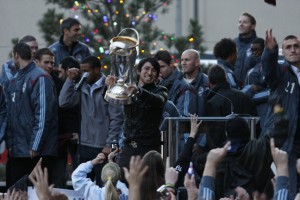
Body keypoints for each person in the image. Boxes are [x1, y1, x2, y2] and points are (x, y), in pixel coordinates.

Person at [59, 55, 123, 186]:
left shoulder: (109, 87)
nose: (84, 74)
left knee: (104, 187)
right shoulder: (82, 86)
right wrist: (70, 79)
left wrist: (110, 144)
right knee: (83, 187)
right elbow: (63, 102)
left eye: (86, 70)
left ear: (97, 70)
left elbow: (116, 118)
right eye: (82, 70)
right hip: (84, 147)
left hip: (103, 148)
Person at [5, 43, 58, 188]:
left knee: (35, 195)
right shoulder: (15, 80)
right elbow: (10, 114)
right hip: (18, 151)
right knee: (15, 194)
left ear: (16, 55)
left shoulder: (40, 77)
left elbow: (43, 114)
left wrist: (35, 146)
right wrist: (10, 143)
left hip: (35, 152)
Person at [106, 57, 168, 178]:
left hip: (148, 150)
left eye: (154, 70)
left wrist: (139, 92)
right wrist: (109, 86)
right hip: (128, 147)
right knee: (123, 184)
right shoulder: (128, 88)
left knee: (146, 187)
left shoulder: (161, 90)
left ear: (157, 74)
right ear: (139, 71)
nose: (149, 73)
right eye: (146, 68)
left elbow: (159, 101)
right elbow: (113, 100)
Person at [262, 29, 300, 197]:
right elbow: (268, 69)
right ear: (283, 52)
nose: (293, 50)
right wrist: (270, 51)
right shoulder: (280, 72)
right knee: (288, 188)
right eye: (288, 47)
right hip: (286, 141)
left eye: (297, 46)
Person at [205, 65, 256, 150]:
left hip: (225, 153)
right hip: (247, 151)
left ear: (209, 83)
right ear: (225, 79)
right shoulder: (244, 96)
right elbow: (255, 124)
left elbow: (214, 135)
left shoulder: (213, 102)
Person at [154, 50, 196, 116]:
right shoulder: (159, 83)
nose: (159, 71)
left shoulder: (184, 86)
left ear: (171, 63)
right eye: (157, 68)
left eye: (162, 67)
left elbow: (183, 116)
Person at [242, 38, 269, 129]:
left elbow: (273, 92)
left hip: (265, 110)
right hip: (252, 110)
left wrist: (249, 95)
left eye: (257, 50)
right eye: (252, 50)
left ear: (264, 49)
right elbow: (247, 90)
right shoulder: (251, 68)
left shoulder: (269, 67)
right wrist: (248, 91)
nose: (254, 53)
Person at [181, 49, 208, 116]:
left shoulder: (207, 82)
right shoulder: (177, 82)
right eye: (182, 60)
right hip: (180, 125)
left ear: (197, 62)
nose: (183, 63)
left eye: (187, 60)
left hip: (202, 124)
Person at [234, 12, 258, 85]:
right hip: (233, 89)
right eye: (239, 22)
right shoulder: (233, 43)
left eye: (245, 22)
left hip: (251, 89)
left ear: (253, 26)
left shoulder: (258, 44)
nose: (241, 24)